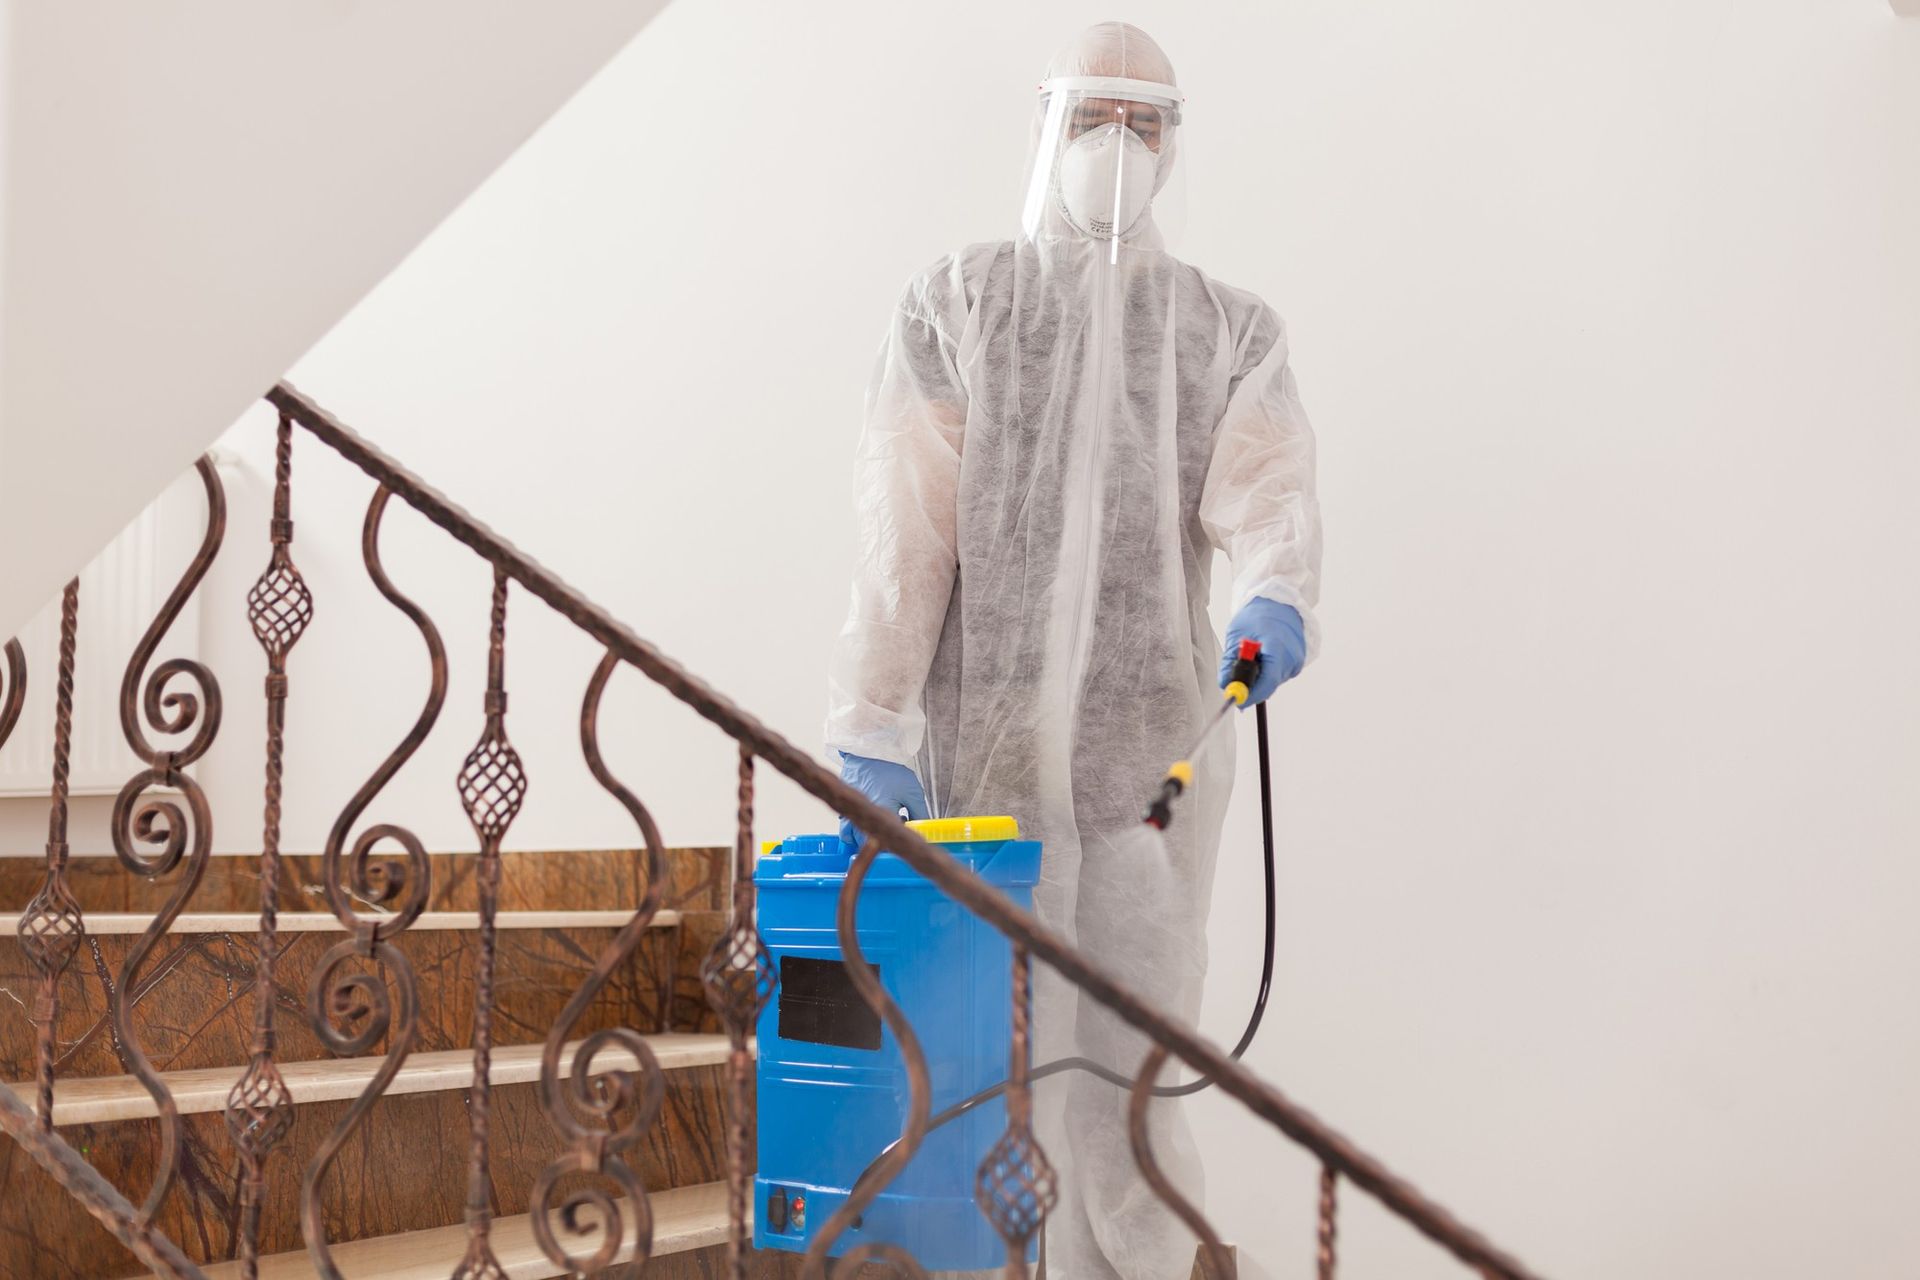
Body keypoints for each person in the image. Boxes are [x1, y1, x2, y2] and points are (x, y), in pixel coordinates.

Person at [825, 21, 1321, 1279]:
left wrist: (1276, 596)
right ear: (1049, 126)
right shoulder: (960, 303)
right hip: (979, 773)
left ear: (1173, 143)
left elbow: (1268, 498)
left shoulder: (1225, 330)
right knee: (979, 1072)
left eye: (1143, 122)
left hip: (1146, 772)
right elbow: (907, 531)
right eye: (1093, 116)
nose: (1117, 144)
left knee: (1134, 1076)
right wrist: (872, 727)